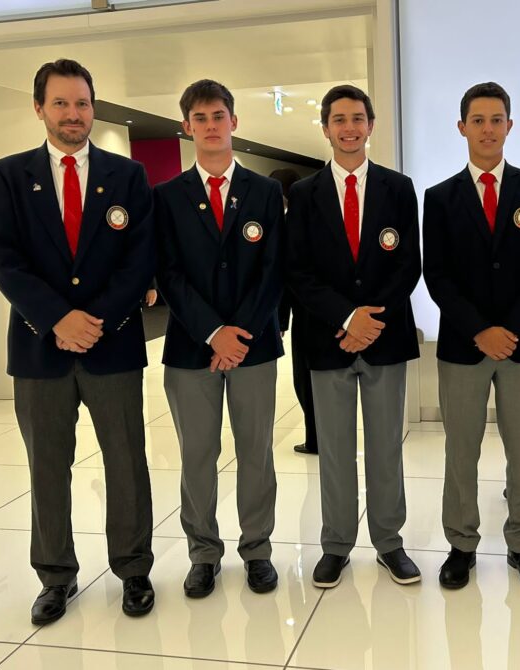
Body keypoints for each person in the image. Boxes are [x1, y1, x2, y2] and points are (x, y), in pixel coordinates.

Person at [0, 58, 155, 624]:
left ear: (92, 107)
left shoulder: (127, 176)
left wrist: (94, 319)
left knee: (126, 461)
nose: (73, 114)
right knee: (46, 467)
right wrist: (57, 318)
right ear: (39, 108)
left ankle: (133, 570)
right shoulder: (9, 175)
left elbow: (137, 263)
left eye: (82, 103)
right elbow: (4, 260)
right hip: (39, 351)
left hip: (113, 345)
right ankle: (56, 576)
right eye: (60, 103)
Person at [423, 82, 520, 590]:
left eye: (496, 119)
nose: (487, 128)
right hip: (464, 345)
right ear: (462, 127)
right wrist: (480, 329)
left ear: (510, 126)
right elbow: (436, 274)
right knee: (461, 448)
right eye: (477, 120)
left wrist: (512, 328)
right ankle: (461, 545)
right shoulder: (439, 198)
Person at [287, 84, 422, 588]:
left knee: (386, 445)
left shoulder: (398, 188)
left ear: (371, 125)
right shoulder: (303, 195)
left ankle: (389, 542)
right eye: (338, 119)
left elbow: (408, 263)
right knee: (336, 448)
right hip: (327, 341)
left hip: (384, 338)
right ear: (325, 128)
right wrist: (347, 319)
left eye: (358, 118)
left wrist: (369, 321)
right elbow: (297, 271)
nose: (349, 128)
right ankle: (336, 544)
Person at [154, 79, 283, 598]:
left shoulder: (266, 192)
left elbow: (274, 270)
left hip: (254, 347)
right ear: (187, 127)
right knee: (197, 454)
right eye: (200, 118)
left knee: (257, 452)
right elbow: (167, 272)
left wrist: (238, 335)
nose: (211, 126)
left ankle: (258, 551)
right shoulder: (166, 197)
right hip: (191, 347)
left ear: (234, 122)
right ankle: (203, 553)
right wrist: (213, 332)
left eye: (218, 116)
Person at [272, 167, 319, 456]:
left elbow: (287, 278)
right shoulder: (314, 217)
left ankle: (315, 439)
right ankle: (320, 436)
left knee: (305, 379)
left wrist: (280, 319)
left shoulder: (288, 223)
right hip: (320, 313)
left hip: (304, 315)